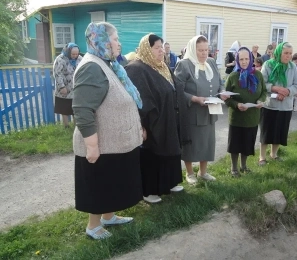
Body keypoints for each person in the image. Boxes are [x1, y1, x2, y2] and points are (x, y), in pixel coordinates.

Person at [73, 22, 143, 240]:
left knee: (112, 182)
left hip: (114, 142)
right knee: (99, 184)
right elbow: (82, 109)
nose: (118, 43)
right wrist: (91, 145)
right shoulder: (91, 67)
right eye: (114, 39)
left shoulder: (108, 64)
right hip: (101, 144)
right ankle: (93, 226)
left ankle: (108, 217)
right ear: (102, 41)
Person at [125, 34, 190, 203]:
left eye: (162, 47)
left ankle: (170, 182)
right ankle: (150, 191)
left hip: (169, 116)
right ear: (147, 49)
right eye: (156, 48)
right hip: (152, 121)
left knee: (171, 148)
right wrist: (141, 125)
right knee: (154, 154)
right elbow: (137, 100)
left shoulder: (162, 66)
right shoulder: (136, 69)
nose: (161, 51)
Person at [175, 35, 228, 184]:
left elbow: (220, 82)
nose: (204, 53)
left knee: (207, 142)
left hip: (210, 111)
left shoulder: (211, 62)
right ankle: (190, 173)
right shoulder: (184, 65)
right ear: (193, 49)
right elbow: (177, 89)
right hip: (192, 112)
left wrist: (222, 92)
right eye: (200, 50)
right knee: (191, 144)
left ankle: (203, 172)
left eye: (206, 50)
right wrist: (195, 99)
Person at [224, 47, 266, 177]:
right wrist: (237, 104)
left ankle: (244, 166)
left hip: (252, 117)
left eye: (246, 59)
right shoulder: (233, 76)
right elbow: (226, 97)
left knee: (248, 143)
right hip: (237, 118)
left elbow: (264, 91)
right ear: (237, 60)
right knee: (235, 144)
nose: (244, 62)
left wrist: (261, 100)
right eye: (241, 59)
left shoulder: (258, 75)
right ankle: (234, 168)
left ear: (251, 59)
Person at [259, 42, 297, 163]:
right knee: (266, 131)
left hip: (285, 105)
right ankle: (262, 157)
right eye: (285, 53)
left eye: (290, 53)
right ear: (278, 53)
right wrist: (276, 89)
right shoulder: (268, 65)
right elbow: (262, 83)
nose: (288, 56)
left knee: (280, 131)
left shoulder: (292, 67)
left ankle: (274, 154)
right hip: (270, 105)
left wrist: (287, 91)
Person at [53, 42, 82, 128]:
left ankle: (76, 125)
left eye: (76, 54)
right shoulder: (60, 59)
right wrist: (62, 87)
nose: (75, 56)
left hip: (75, 88)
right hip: (64, 88)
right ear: (68, 52)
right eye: (73, 54)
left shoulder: (80, 59)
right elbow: (58, 74)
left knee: (75, 107)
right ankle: (66, 126)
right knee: (64, 107)